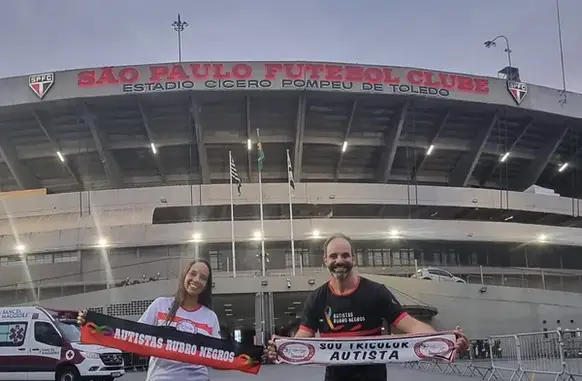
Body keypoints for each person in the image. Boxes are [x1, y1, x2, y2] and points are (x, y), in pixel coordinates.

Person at [266, 233, 470, 381]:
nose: (340, 260)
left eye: (345, 255)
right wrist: (282, 349)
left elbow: (412, 325)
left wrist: (446, 340)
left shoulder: (376, 292)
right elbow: (303, 338)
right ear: (325, 260)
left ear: (353, 259)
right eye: (334, 256)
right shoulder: (317, 298)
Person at [78, 259, 220, 381]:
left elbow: (220, 356)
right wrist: (92, 323)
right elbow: (131, 336)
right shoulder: (161, 305)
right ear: (185, 275)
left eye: (203, 277)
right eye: (193, 273)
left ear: (207, 285)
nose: (196, 280)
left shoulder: (210, 317)